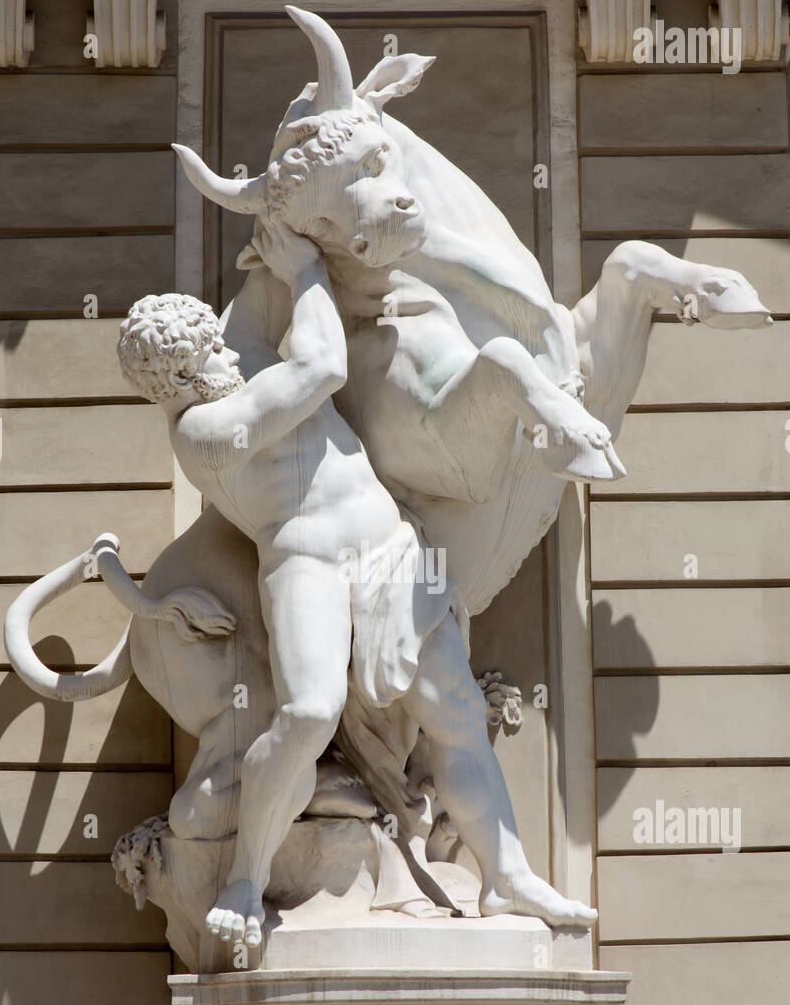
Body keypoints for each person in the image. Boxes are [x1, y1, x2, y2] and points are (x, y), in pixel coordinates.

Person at [117, 222, 597, 945]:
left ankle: (507, 878)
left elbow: (284, 336)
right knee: (308, 713)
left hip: (386, 548)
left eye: (214, 342)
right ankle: (246, 876)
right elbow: (322, 369)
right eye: (205, 352)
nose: (223, 351)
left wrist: (288, 240)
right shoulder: (206, 431)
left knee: (456, 708)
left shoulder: (237, 373)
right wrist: (305, 269)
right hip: (305, 562)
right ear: (178, 380)